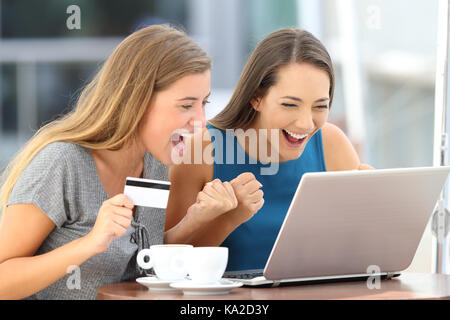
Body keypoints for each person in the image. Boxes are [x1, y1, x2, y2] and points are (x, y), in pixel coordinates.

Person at [0, 24, 239, 300]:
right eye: (186, 105)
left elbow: (140, 259)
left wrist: (197, 219)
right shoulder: (62, 163)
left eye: (204, 103)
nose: (200, 122)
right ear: (137, 100)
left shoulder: (155, 164)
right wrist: (89, 243)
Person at [166, 28, 373, 272]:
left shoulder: (331, 144)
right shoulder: (201, 150)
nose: (306, 124)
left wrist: (374, 209)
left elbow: (358, 252)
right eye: (289, 104)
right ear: (256, 97)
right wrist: (222, 218)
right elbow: (166, 264)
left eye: (320, 106)